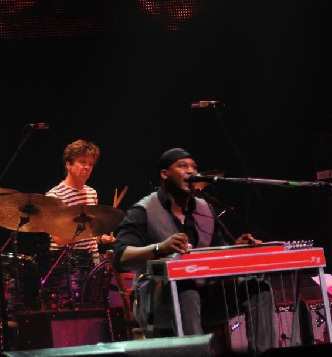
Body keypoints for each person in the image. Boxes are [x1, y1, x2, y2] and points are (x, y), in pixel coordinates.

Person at [111, 147, 277, 355]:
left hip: (206, 299)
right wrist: (158, 248)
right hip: (158, 304)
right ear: (164, 174)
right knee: (186, 288)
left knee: (258, 287)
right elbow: (120, 259)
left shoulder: (205, 209)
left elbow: (218, 252)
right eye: (183, 166)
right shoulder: (142, 211)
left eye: (194, 167)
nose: (191, 171)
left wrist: (238, 247)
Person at [44, 139, 115, 307]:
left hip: (92, 262)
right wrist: (83, 230)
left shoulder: (91, 193)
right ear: (68, 164)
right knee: (72, 311)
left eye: (90, 164)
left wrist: (100, 238)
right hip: (67, 266)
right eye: (82, 162)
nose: (87, 167)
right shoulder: (54, 196)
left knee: (94, 308)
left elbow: (90, 233)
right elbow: (58, 239)